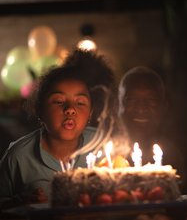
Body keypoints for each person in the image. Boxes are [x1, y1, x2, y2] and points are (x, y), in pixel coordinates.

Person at [0, 49, 114, 209]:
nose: (70, 109)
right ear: (40, 110)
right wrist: (19, 202)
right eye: (59, 101)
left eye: (80, 103)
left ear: (90, 113)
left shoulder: (102, 145)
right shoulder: (18, 157)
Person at [117, 66, 184, 176]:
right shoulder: (104, 154)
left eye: (151, 100)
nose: (141, 108)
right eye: (131, 100)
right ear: (118, 105)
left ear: (164, 107)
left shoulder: (173, 157)